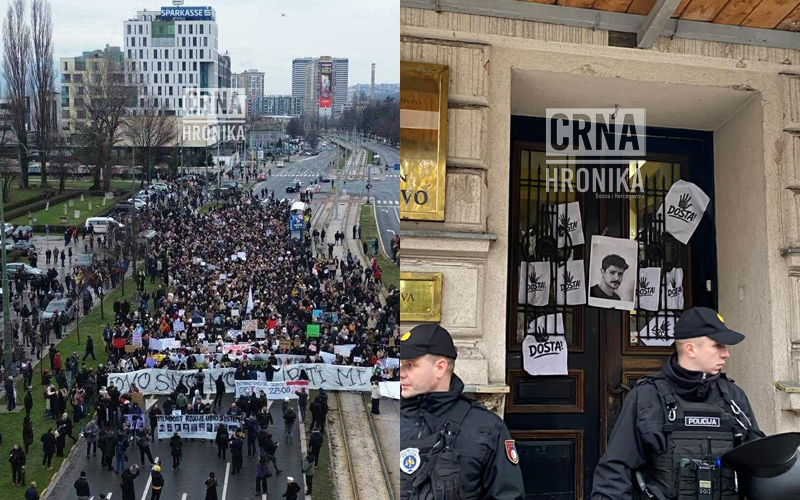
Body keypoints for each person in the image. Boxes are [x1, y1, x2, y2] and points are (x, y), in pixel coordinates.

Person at [590, 307, 763, 500]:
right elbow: (615, 471)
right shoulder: (647, 396)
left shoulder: (733, 397)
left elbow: (761, 465)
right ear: (690, 349)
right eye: (718, 345)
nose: (726, 354)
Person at [400, 323, 525, 500]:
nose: (401, 372)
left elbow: (508, 495)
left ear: (440, 368)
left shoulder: (487, 428)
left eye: (410, 365)